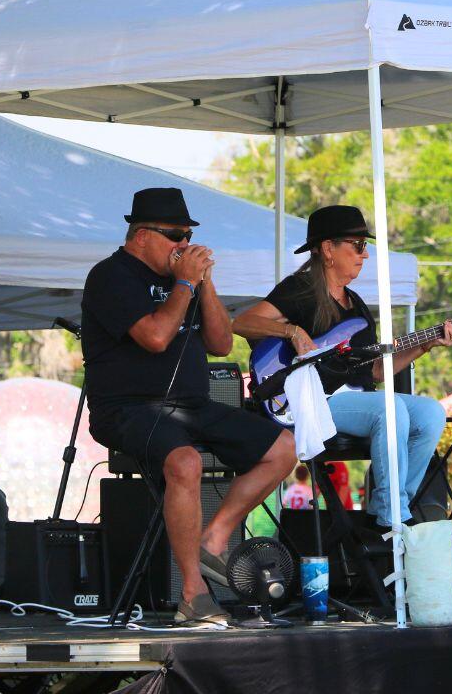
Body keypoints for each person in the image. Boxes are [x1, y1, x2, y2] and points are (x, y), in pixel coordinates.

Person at [82, 187, 296, 627]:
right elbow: (156, 337)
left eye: (188, 236)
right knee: (183, 462)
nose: (184, 245)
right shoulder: (111, 276)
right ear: (142, 236)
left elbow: (220, 343)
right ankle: (194, 596)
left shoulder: (186, 281)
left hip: (190, 405)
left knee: (284, 447)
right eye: (175, 236)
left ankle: (213, 541)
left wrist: (205, 283)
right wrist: (184, 283)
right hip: (128, 408)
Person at [233, 205, 452, 528]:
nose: (364, 255)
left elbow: (377, 372)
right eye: (358, 245)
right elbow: (243, 322)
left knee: (431, 412)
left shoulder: (356, 305)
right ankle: (393, 518)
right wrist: (292, 331)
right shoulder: (299, 290)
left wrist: (426, 343)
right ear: (328, 249)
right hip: (313, 401)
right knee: (390, 408)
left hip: (351, 398)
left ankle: (395, 505)